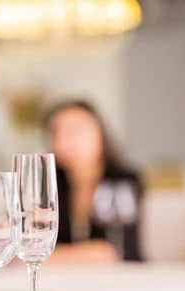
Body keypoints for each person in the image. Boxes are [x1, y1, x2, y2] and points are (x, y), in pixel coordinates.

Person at [44, 100, 143, 263]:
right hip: (62, 279)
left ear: (100, 133)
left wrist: (50, 257)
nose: (64, 141)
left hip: (123, 278)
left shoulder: (122, 180)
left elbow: (113, 252)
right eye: (57, 132)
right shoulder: (50, 183)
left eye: (75, 131)